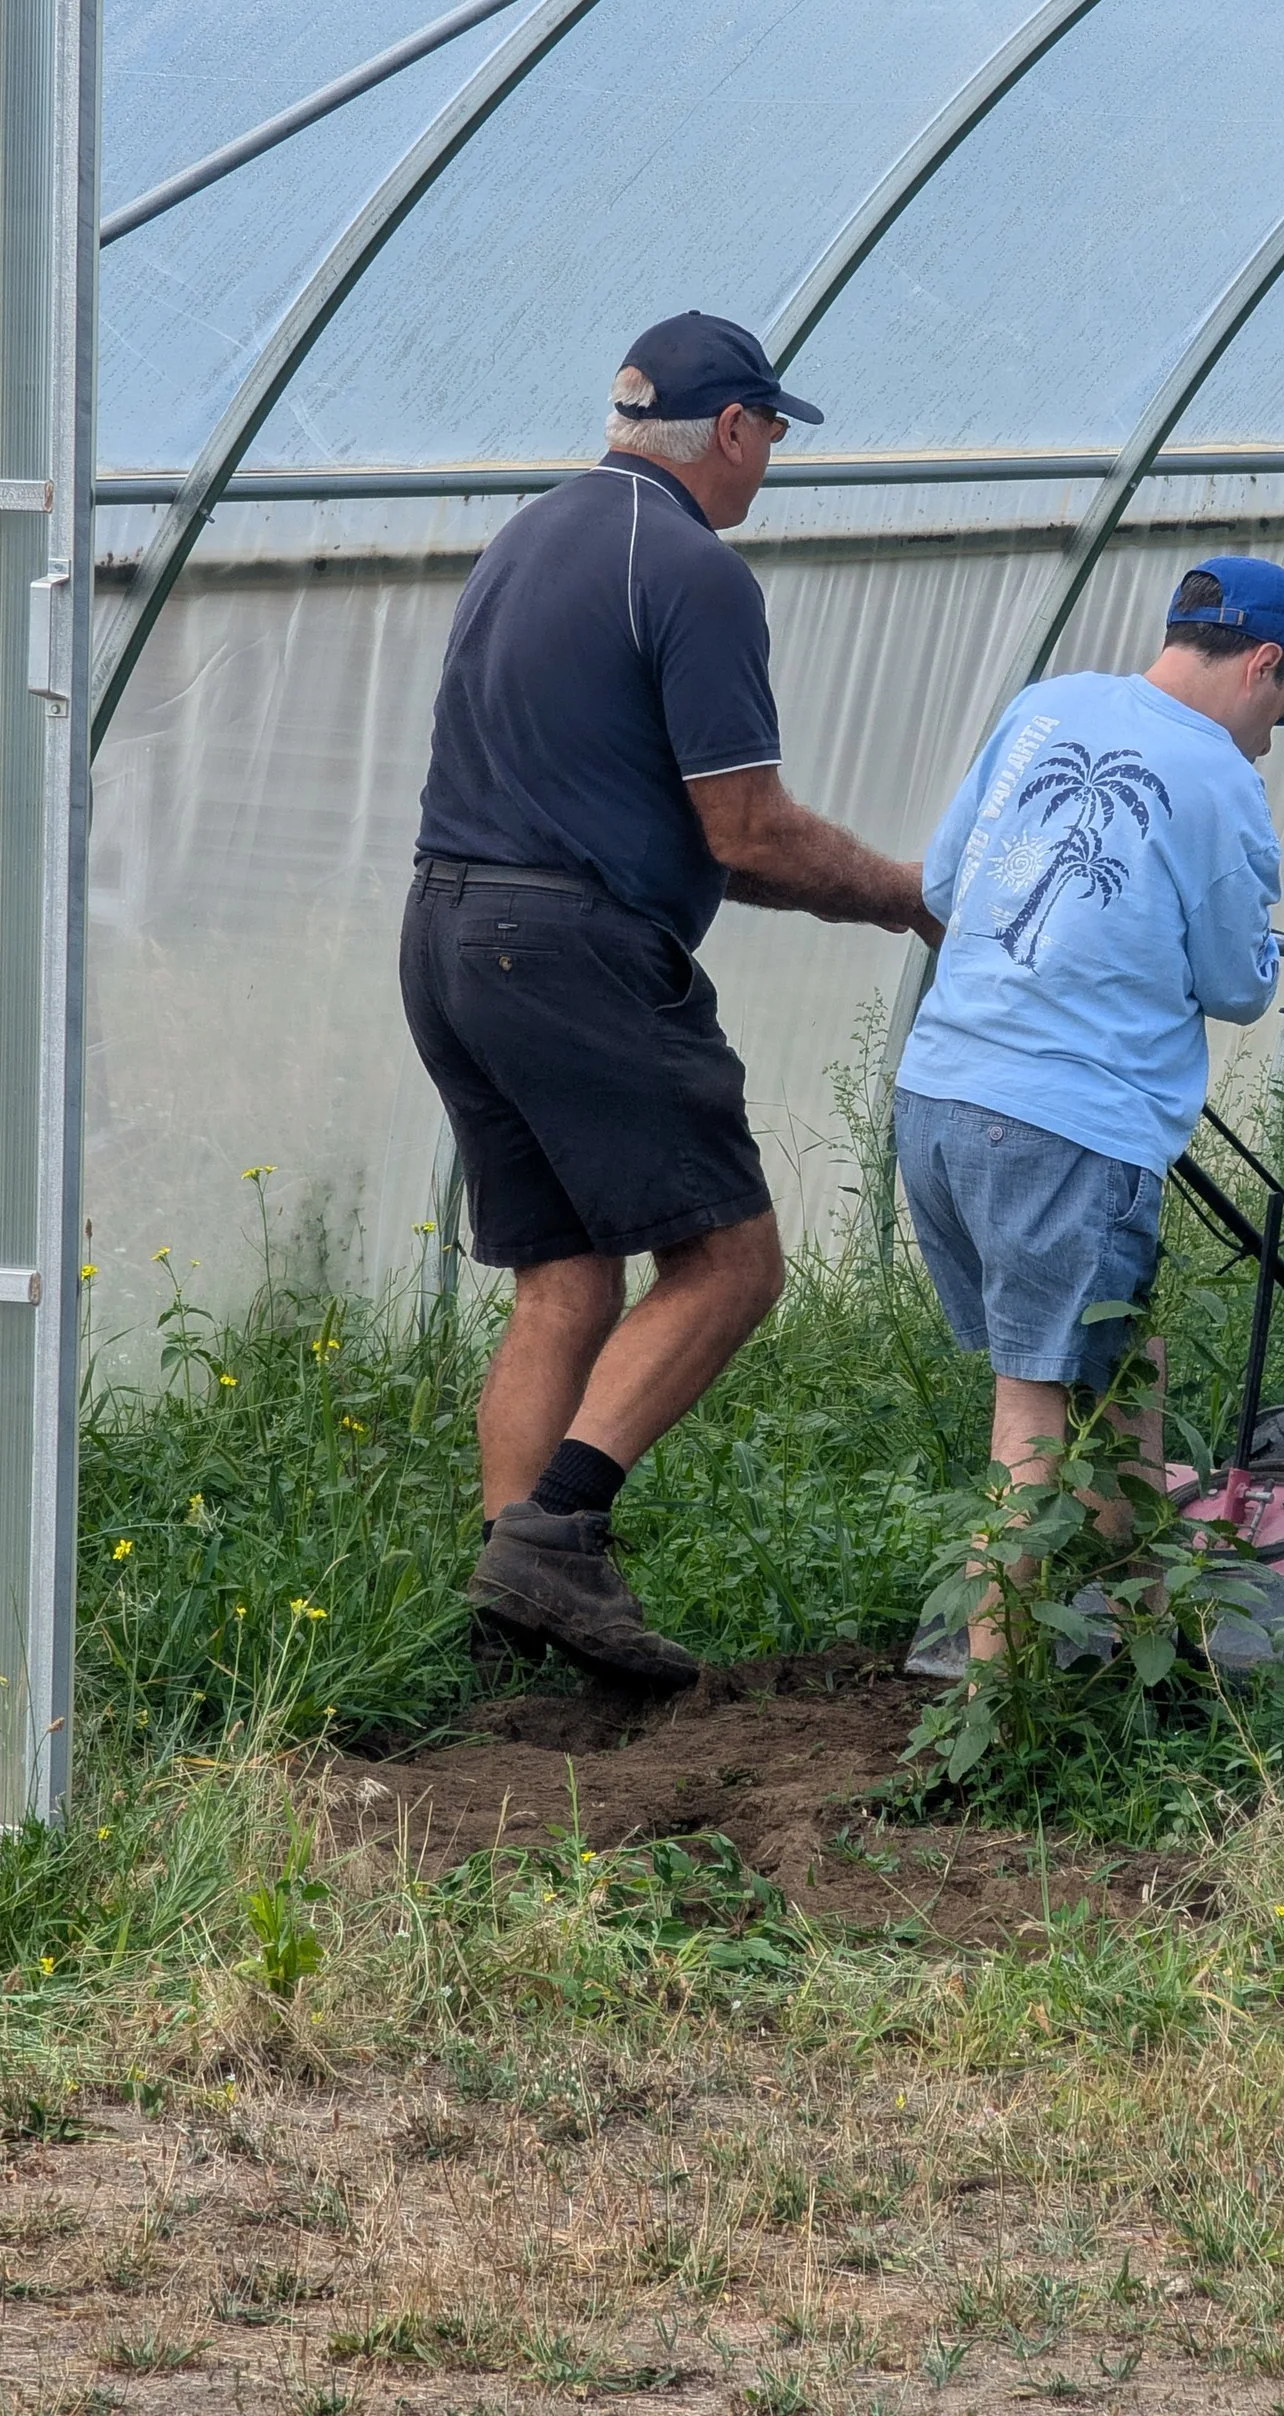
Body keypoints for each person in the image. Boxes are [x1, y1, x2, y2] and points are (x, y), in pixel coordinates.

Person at [402, 311, 938, 1685]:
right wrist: (903, 895)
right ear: (737, 429)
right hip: (567, 948)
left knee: (564, 1281)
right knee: (730, 1262)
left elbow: (652, 808)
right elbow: (746, 831)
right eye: (770, 439)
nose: (769, 469)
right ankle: (559, 1531)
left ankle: (511, 1624)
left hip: (450, 930)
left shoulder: (533, 535)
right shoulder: (693, 571)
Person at [893, 557, 1284, 1666]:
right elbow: (1237, 985)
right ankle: (990, 1692)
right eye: (1282, 708)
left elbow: (944, 888)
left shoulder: (1043, 706)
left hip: (938, 1098)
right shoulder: (1220, 774)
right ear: (1264, 664)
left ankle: (1144, 1608)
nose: (1272, 738)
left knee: (1122, 1356)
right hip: (1061, 1128)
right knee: (1035, 1397)